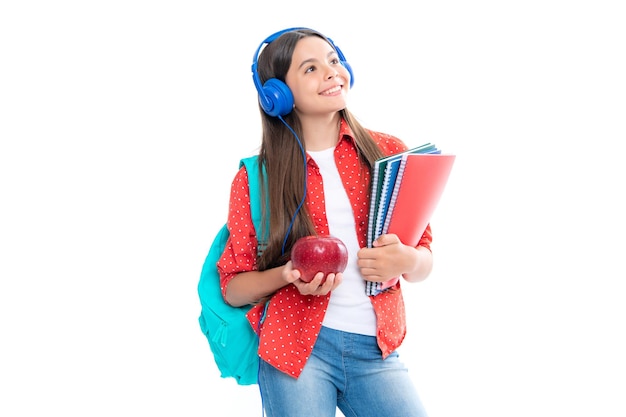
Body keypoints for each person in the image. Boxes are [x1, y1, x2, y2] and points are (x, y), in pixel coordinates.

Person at [217, 27, 433, 417]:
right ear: (277, 95)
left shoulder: (389, 154)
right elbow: (233, 289)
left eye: (334, 61)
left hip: (376, 351)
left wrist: (407, 261)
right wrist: (287, 275)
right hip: (297, 350)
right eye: (311, 68)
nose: (332, 72)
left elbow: (424, 260)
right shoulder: (256, 178)